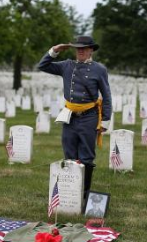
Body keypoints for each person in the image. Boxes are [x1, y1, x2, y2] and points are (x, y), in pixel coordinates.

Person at [38, 36, 112, 200]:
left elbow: (106, 96)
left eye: (84, 48)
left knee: (86, 156)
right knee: (69, 153)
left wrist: (105, 120)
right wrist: (55, 50)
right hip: (70, 116)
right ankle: (69, 194)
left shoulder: (99, 69)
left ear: (91, 49)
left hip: (89, 116)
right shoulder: (67, 66)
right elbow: (42, 65)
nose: (81, 51)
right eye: (78, 48)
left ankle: (83, 195)